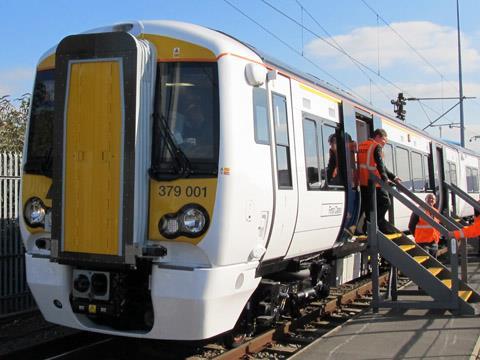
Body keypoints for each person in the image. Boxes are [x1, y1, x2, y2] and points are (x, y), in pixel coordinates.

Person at [358, 128, 400, 234]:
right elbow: (381, 165)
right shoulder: (376, 146)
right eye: (384, 141)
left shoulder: (361, 146)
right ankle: (375, 224)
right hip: (375, 182)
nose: (384, 144)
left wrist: (393, 177)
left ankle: (368, 227)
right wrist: (385, 179)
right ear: (378, 137)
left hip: (362, 182)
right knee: (386, 202)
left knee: (368, 206)